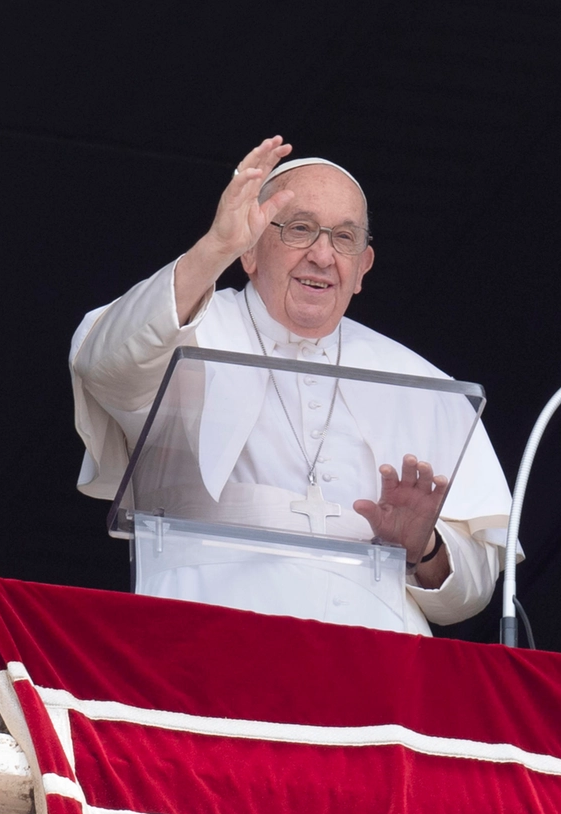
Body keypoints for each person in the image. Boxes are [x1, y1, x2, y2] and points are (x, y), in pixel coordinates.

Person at [70, 136, 514, 634]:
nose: (323, 256)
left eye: (344, 238)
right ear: (251, 251)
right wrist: (213, 248)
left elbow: (472, 591)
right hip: (209, 642)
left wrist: (425, 549)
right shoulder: (189, 327)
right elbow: (106, 363)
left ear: (362, 269)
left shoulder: (423, 384)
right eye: (300, 229)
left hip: (375, 671)